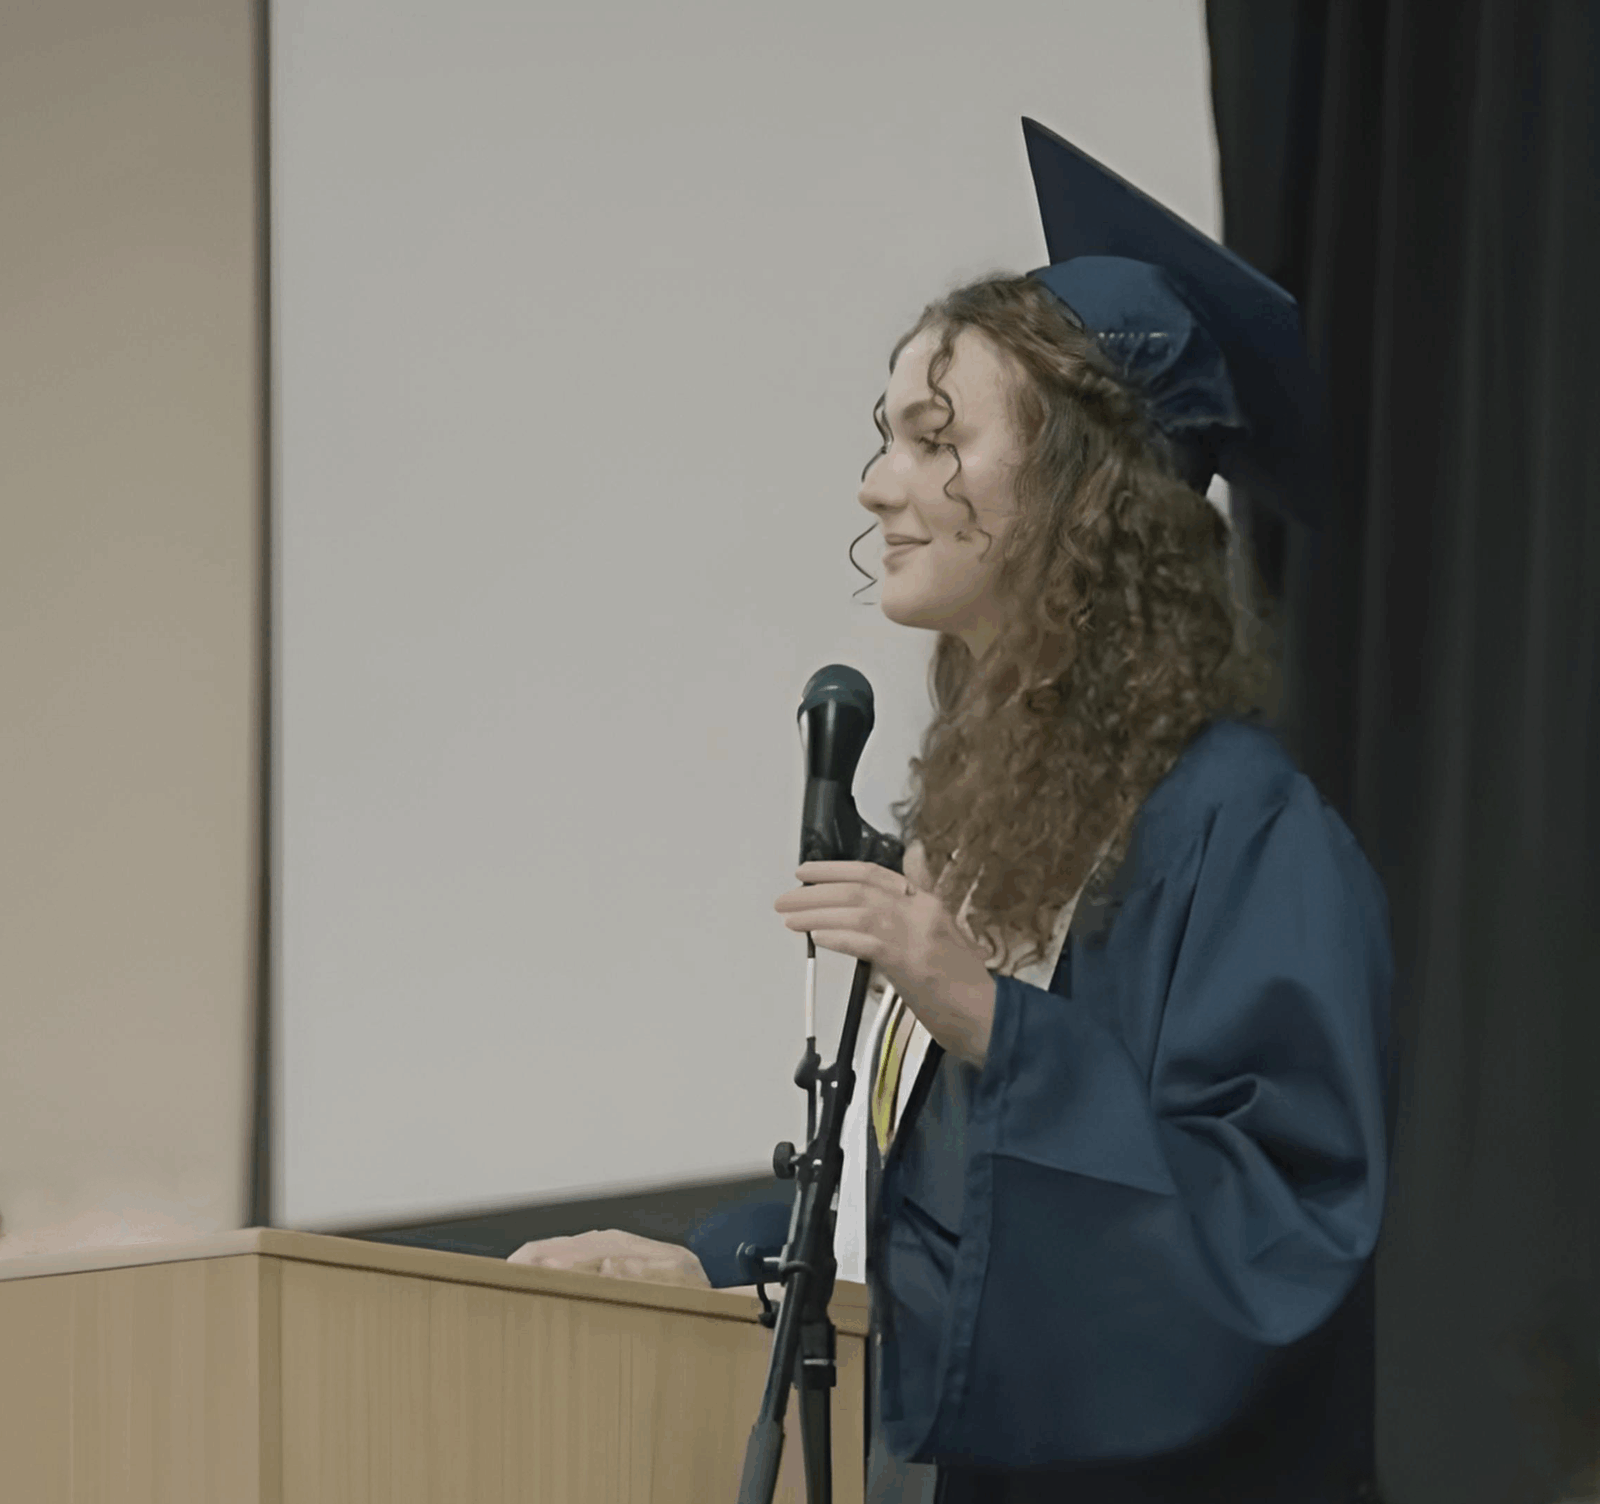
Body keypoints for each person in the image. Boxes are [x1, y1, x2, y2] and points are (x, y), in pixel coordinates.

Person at [510, 120, 1393, 1504]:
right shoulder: (992, 820)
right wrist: (722, 1257)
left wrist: (992, 1017)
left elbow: (1276, 1243)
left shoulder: (1240, 828)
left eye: (937, 441)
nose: (879, 485)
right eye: (887, 439)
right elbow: (930, 1217)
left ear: (1082, 501)